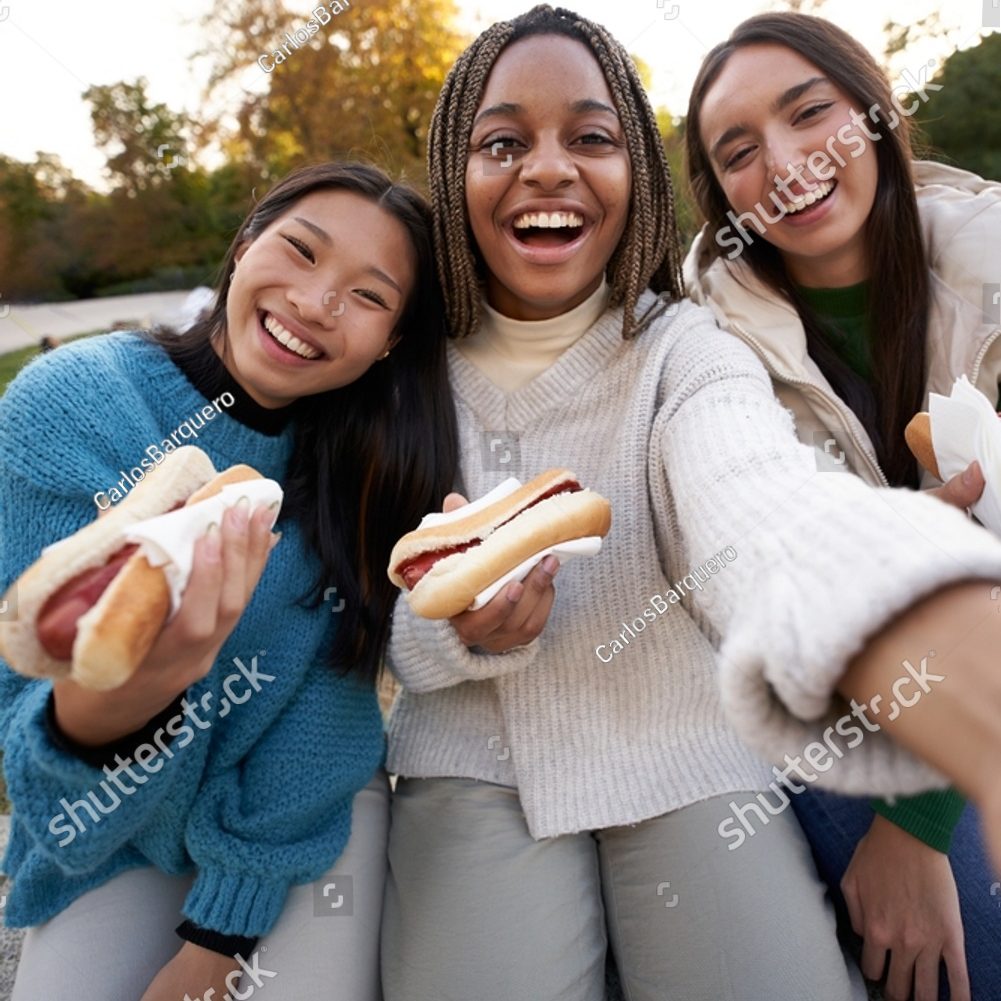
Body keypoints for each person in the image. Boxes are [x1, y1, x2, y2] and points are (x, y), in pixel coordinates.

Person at [379, 7, 1001, 1001]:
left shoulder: (689, 349)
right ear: (454, 171)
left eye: (589, 137)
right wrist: (453, 633)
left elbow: (750, 500)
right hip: (468, 759)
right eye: (502, 142)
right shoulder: (401, 374)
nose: (547, 168)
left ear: (640, 182)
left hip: (686, 747)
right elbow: (385, 631)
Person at [0, 161, 457, 1001]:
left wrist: (218, 937)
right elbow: (29, 739)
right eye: (301, 252)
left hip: (292, 819)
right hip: (108, 831)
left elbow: (323, 716)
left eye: (368, 295)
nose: (317, 303)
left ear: (391, 339)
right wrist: (139, 688)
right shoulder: (69, 405)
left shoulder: (365, 467)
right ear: (245, 244)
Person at [684, 13, 1001, 1000]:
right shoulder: (707, 342)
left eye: (808, 112)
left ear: (871, 109)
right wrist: (906, 825)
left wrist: (916, 828)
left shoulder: (989, 266)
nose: (781, 164)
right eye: (736, 152)